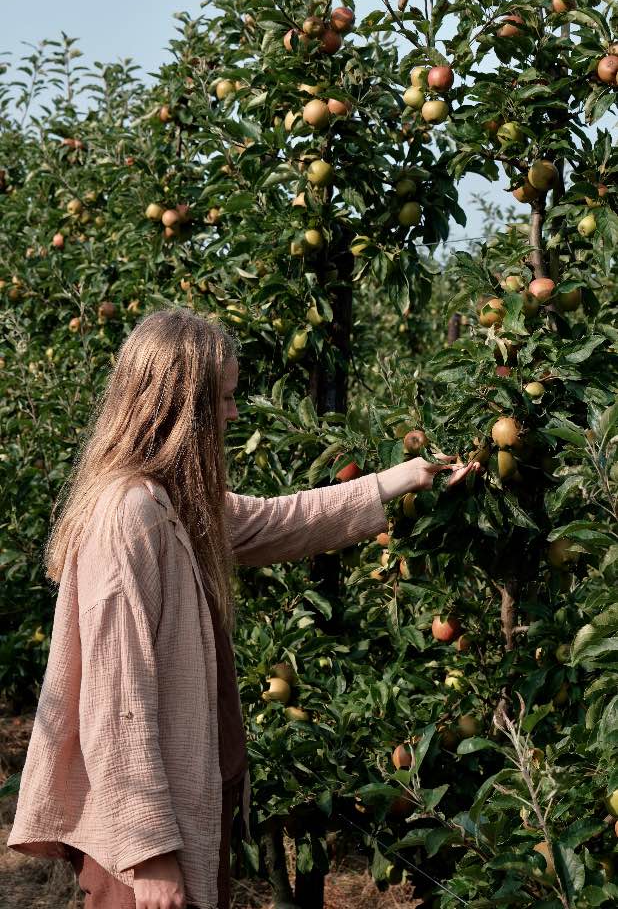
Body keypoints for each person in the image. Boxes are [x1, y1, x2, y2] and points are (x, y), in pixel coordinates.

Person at [6, 307, 479, 909]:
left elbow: (282, 520)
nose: (233, 414)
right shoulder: (130, 517)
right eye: (222, 400)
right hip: (144, 846)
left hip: (185, 807)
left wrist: (402, 479)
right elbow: (116, 701)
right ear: (179, 406)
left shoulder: (172, 501)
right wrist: (150, 854)